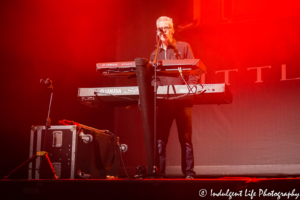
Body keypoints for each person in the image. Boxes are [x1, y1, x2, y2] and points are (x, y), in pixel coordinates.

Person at [150, 16, 199, 179]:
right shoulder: (155, 54)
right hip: (165, 103)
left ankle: (189, 173)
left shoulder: (183, 47)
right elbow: (153, 78)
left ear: (172, 29)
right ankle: (159, 172)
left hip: (183, 101)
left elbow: (193, 70)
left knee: (185, 139)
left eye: (167, 27)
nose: (164, 31)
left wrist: (188, 89)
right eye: (161, 28)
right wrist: (158, 90)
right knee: (160, 140)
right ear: (157, 31)